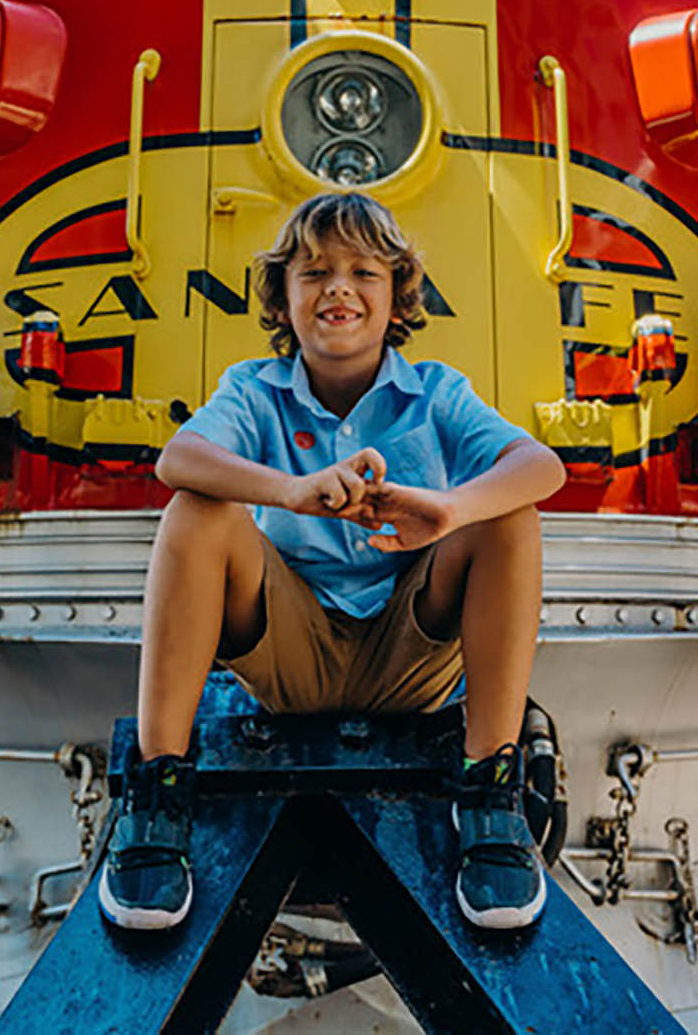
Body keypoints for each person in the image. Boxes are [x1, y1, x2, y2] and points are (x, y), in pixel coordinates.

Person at [97, 191, 565, 932]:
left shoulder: (438, 391)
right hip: (289, 651)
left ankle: (489, 789)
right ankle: (159, 792)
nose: (338, 288)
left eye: (362, 272)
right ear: (283, 300)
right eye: (313, 272)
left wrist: (447, 511)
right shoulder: (253, 388)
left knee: (509, 514)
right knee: (196, 506)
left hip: (411, 651)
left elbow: (540, 465)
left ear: (396, 296)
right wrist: (292, 492)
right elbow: (177, 457)